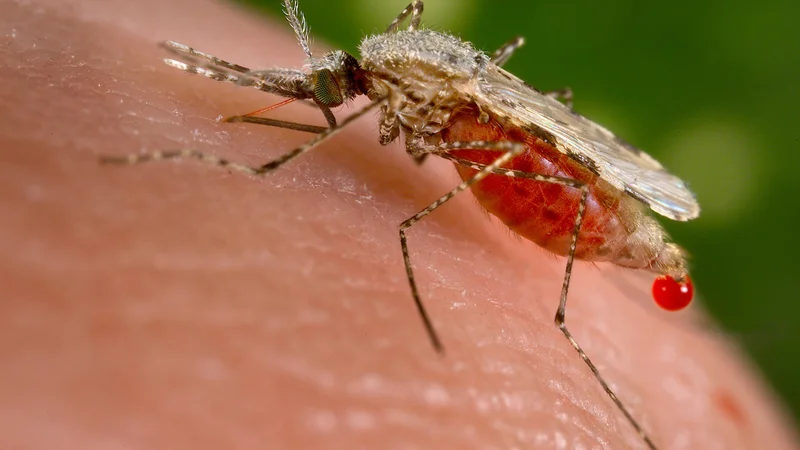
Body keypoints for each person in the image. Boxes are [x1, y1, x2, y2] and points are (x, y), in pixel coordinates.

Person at [2, 0, 797, 448]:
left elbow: (350, 112)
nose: (330, 93)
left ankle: (568, 329)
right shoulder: (387, 65)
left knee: (447, 199)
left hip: (552, 175)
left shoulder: (390, 74)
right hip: (500, 135)